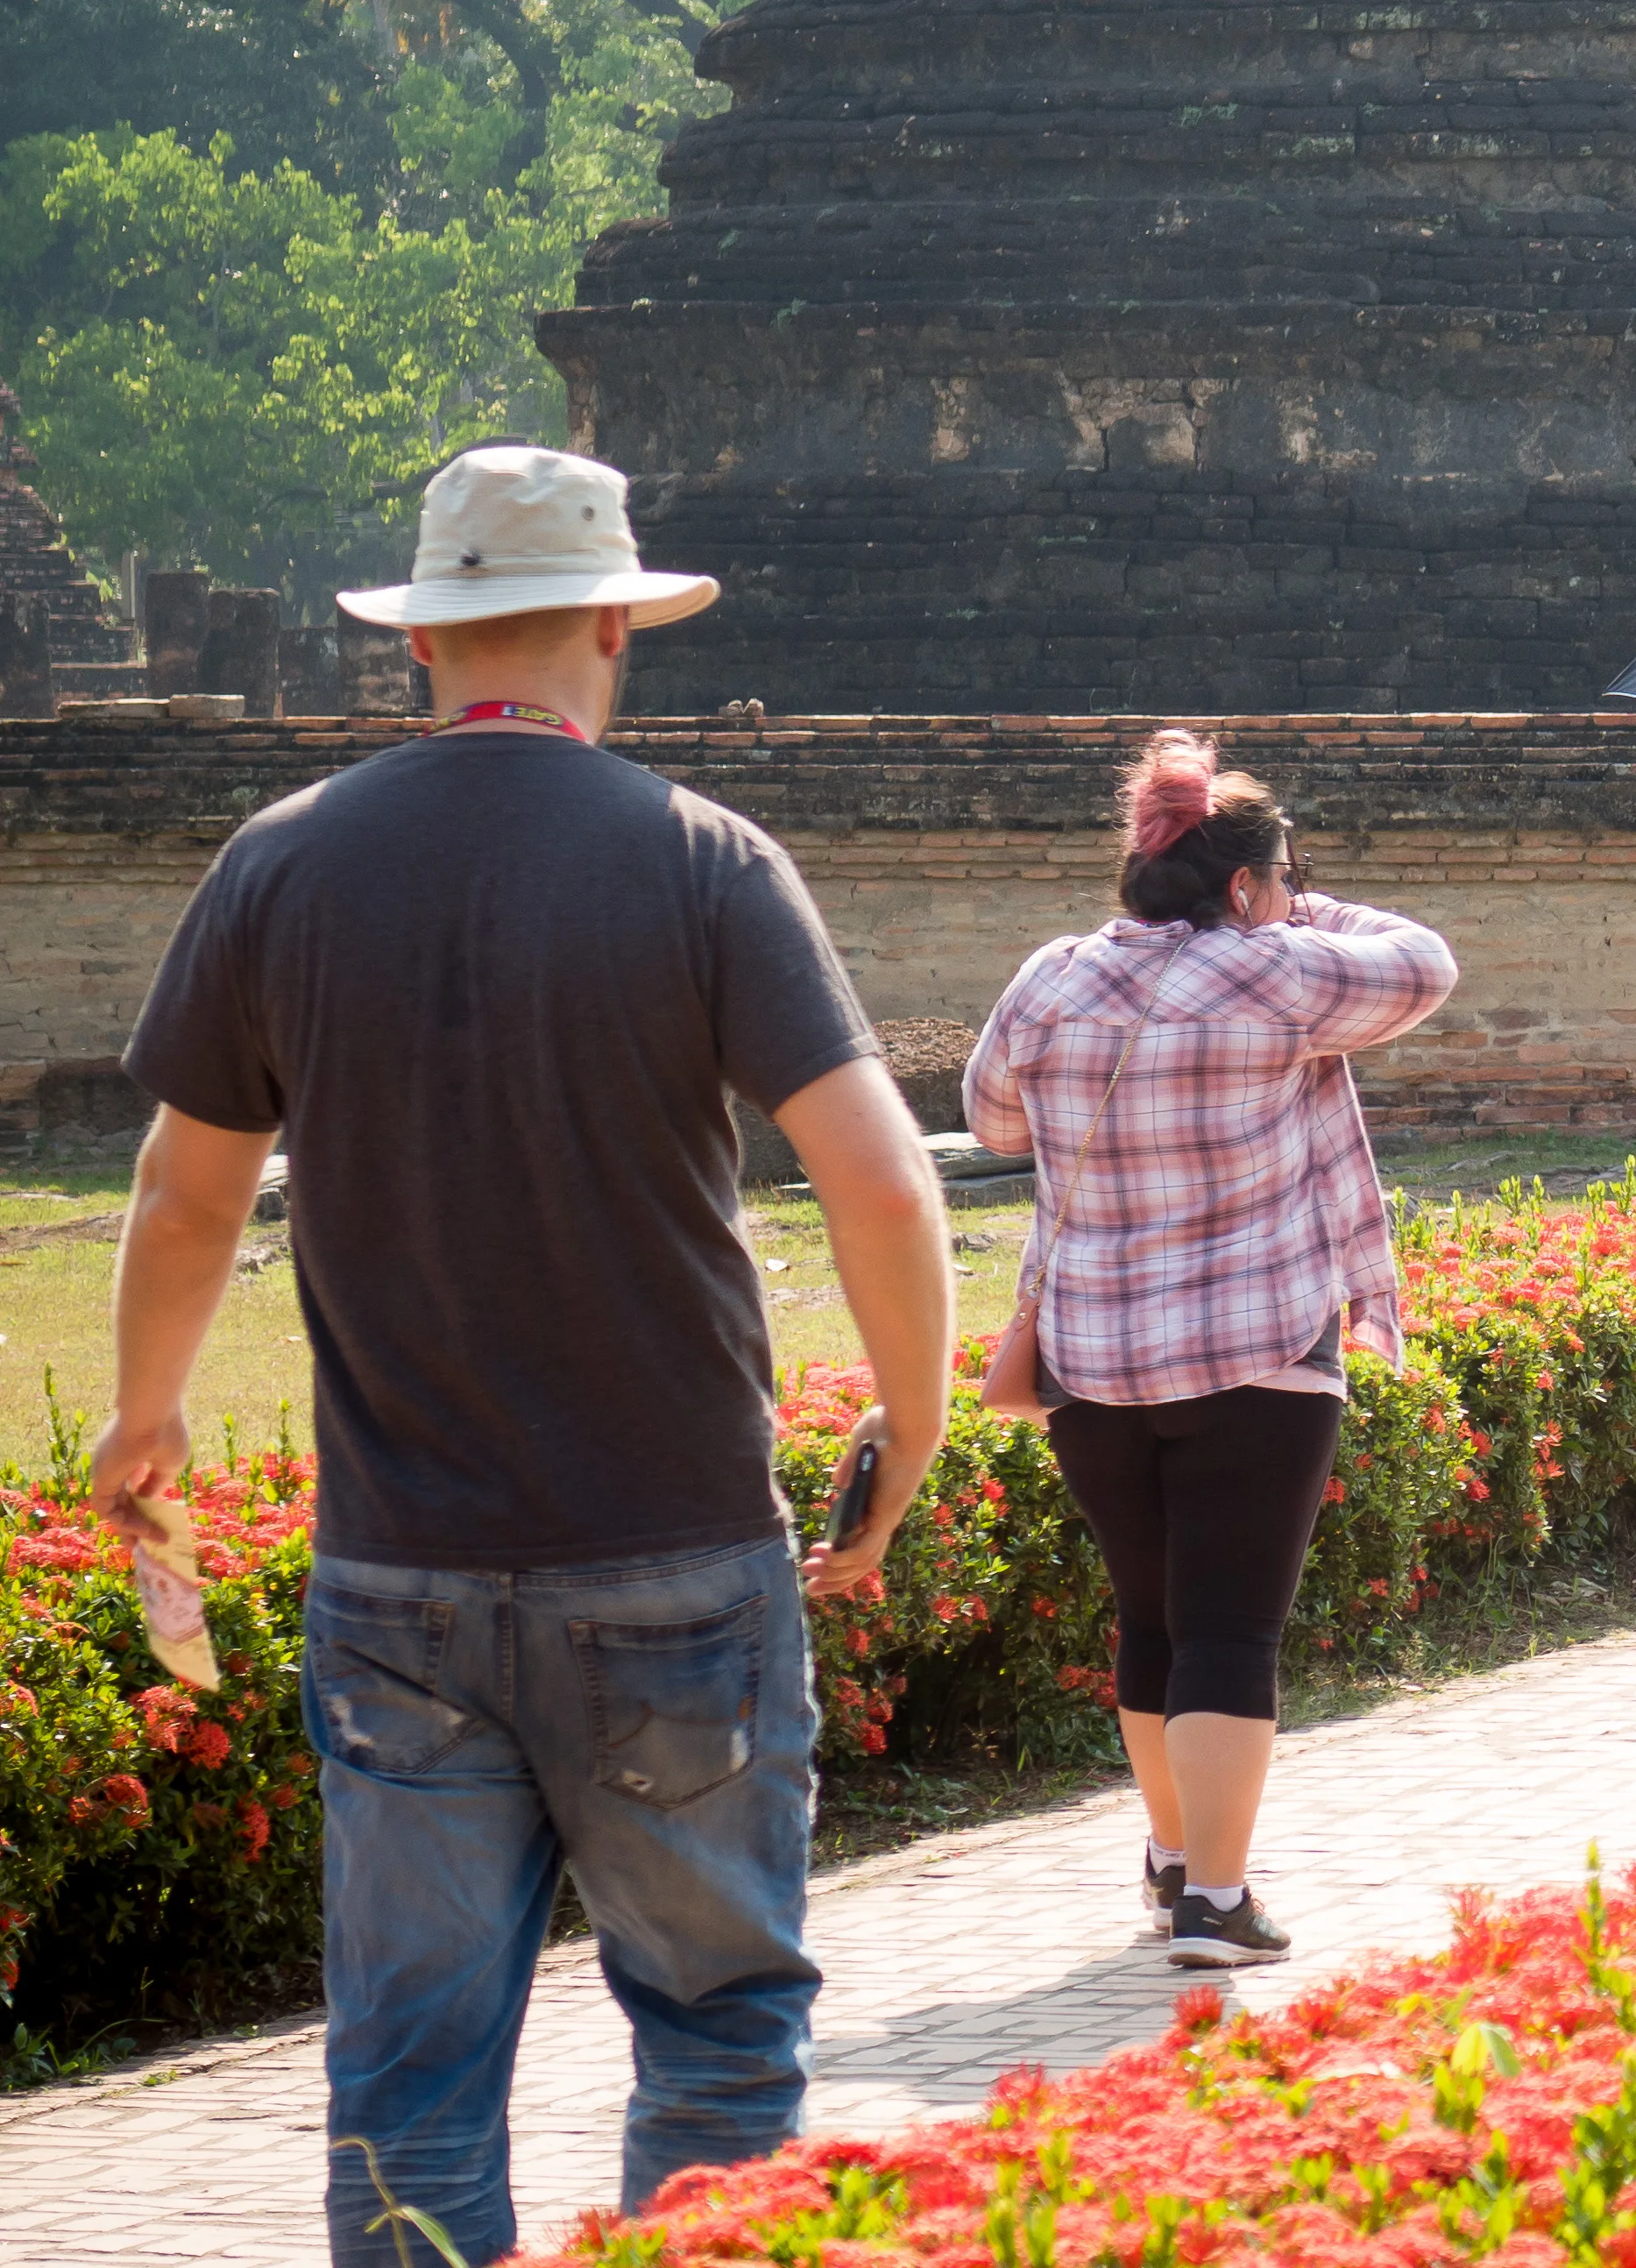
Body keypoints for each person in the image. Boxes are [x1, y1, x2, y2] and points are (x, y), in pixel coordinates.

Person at [95, 444, 954, 2267]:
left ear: (422, 646)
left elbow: (183, 1200)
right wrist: (914, 1414)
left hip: (401, 1566)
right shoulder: (706, 861)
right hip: (677, 1555)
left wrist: (145, 1413)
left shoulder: (285, 863)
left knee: (408, 2078)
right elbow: (882, 1183)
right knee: (720, 2046)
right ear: (614, 635)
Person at [962, 734, 1454, 1968]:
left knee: (1154, 1617)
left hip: (1095, 1358)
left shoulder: (1053, 978)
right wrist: (1288, 904)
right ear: (1246, 888)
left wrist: (1251, 890)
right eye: (1277, 879)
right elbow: (1424, 965)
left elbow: (991, 1116)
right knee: (1232, 1629)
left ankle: (1179, 1860)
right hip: (1257, 1354)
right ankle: (1219, 1905)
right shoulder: (1279, 974)